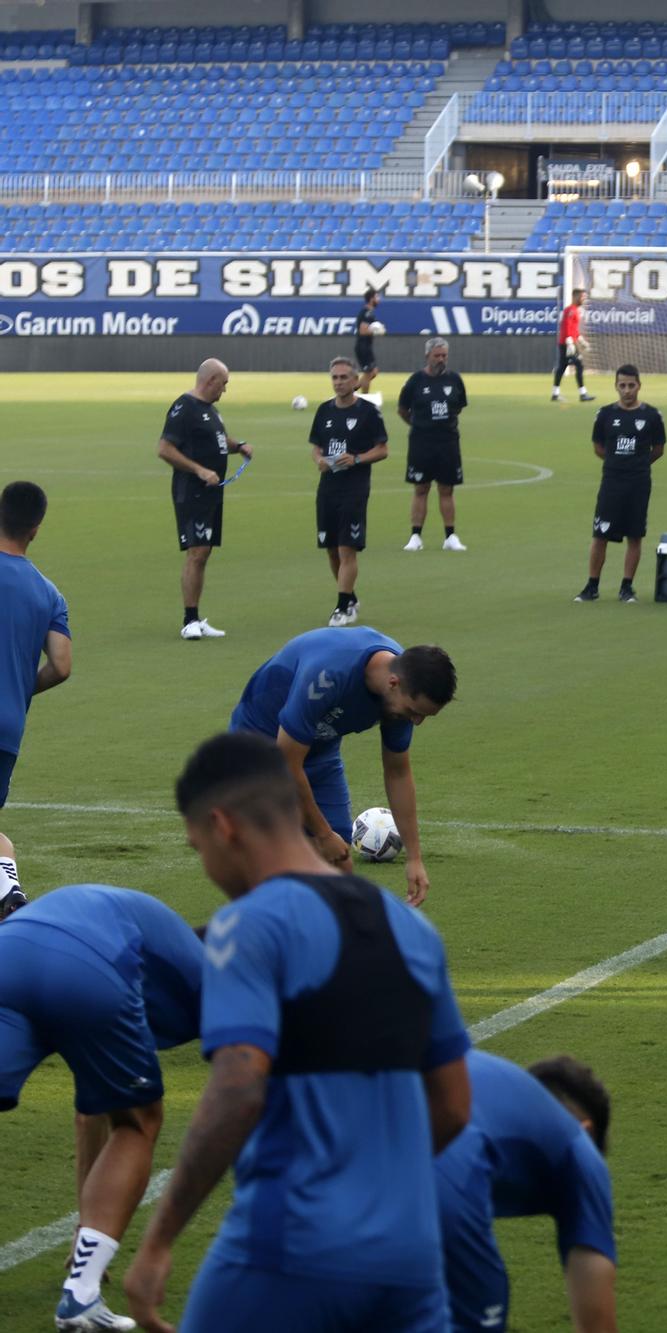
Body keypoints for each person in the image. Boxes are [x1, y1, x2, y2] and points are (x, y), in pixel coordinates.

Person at [123, 732, 473, 1333]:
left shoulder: (251, 926)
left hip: (291, 1247)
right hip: (410, 1258)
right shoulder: (411, 929)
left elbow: (237, 1089)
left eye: (197, 845)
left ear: (223, 826)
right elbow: (455, 1107)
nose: (206, 866)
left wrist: (157, 1241)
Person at [0, 884, 204, 1332]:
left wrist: (87, 1224)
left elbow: (89, 1110)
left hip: (10, 948)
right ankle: (81, 1297)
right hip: (85, 960)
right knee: (140, 1120)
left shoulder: (161, 948)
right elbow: (243, 1087)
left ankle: (85, 1270)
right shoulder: (207, 977)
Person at [230, 627, 455, 906]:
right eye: (414, 712)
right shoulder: (329, 674)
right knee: (298, 859)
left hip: (319, 749)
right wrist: (323, 834)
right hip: (259, 746)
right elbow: (286, 763)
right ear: (394, 683)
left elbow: (398, 773)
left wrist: (415, 858)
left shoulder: (400, 698)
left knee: (339, 867)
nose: (416, 721)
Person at [434, 1051, 618, 1333]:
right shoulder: (578, 1143)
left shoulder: (490, 1079)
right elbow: (596, 1322)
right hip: (443, 1183)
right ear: (587, 1128)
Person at [0, 480, 71, 915]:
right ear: (36, 528)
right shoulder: (48, 592)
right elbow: (62, 665)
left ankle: (6, 893)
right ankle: (8, 890)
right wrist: (19, 688)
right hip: (8, 723)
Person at [156, 358, 250, 640]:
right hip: (192, 491)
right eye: (223, 384)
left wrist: (239, 446)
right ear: (210, 381)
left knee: (204, 552)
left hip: (212, 492)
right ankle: (189, 620)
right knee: (196, 552)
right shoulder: (184, 408)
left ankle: (196, 616)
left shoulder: (210, 411)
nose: (225, 390)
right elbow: (164, 448)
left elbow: (218, 440)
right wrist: (199, 469)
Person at [309, 357, 390, 627]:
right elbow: (316, 447)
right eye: (334, 377)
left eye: (344, 377)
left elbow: (382, 450)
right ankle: (351, 597)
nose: (339, 382)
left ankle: (342, 607)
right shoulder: (323, 411)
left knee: (347, 549)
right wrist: (319, 460)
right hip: (328, 488)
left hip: (354, 489)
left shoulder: (368, 412)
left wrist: (355, 459)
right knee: (331, 549)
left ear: (355, 381)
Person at [577, 365, 666, 605]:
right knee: (600, 534)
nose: (627, 390)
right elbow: (598, 446)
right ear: (616, 386)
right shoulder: (605, 414)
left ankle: (627, 587)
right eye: (622, 385)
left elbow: (658, 449)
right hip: (611, 482)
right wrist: (616, 462)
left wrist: (637, 464)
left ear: (639, 385)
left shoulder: (652, 416)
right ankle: (592, 586)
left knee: (635, 535)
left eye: (631, 385)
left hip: (638, 483)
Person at [399, 336, 471, 553]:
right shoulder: (415, 381)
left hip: (448, 443)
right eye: (437, 356)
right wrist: (421, 425)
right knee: (421, 489)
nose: (441, 359)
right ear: (427, 356)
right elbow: (403, 410)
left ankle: (450, 536)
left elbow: (458, 407)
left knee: (446, 489)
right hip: (421, 443)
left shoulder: (455, 380)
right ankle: (415, 536)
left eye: (444, 355)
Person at [552, 289, 592, 403]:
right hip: (567, 344)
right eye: (582, 297)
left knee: (562, 367)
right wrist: (570, 343)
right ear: (575, 297)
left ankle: (555, 394)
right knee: (579, 365)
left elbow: (574, 330)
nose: (584, 299)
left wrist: (582, 341)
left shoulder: (574, 310)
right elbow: (566, 327)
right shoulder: (570, 310)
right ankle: (583, 394)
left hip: (567, 343)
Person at [354, 289, 382, 394]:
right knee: (368, 372)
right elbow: (363, 330)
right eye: (377, 297)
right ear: (371, 299)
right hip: (363, 346)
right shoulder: (367, 313)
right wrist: (377, 331)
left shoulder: (369, 312)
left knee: (373, 372)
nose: (379, 300)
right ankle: (365, 396)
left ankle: (352, 390)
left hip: (366, 346)